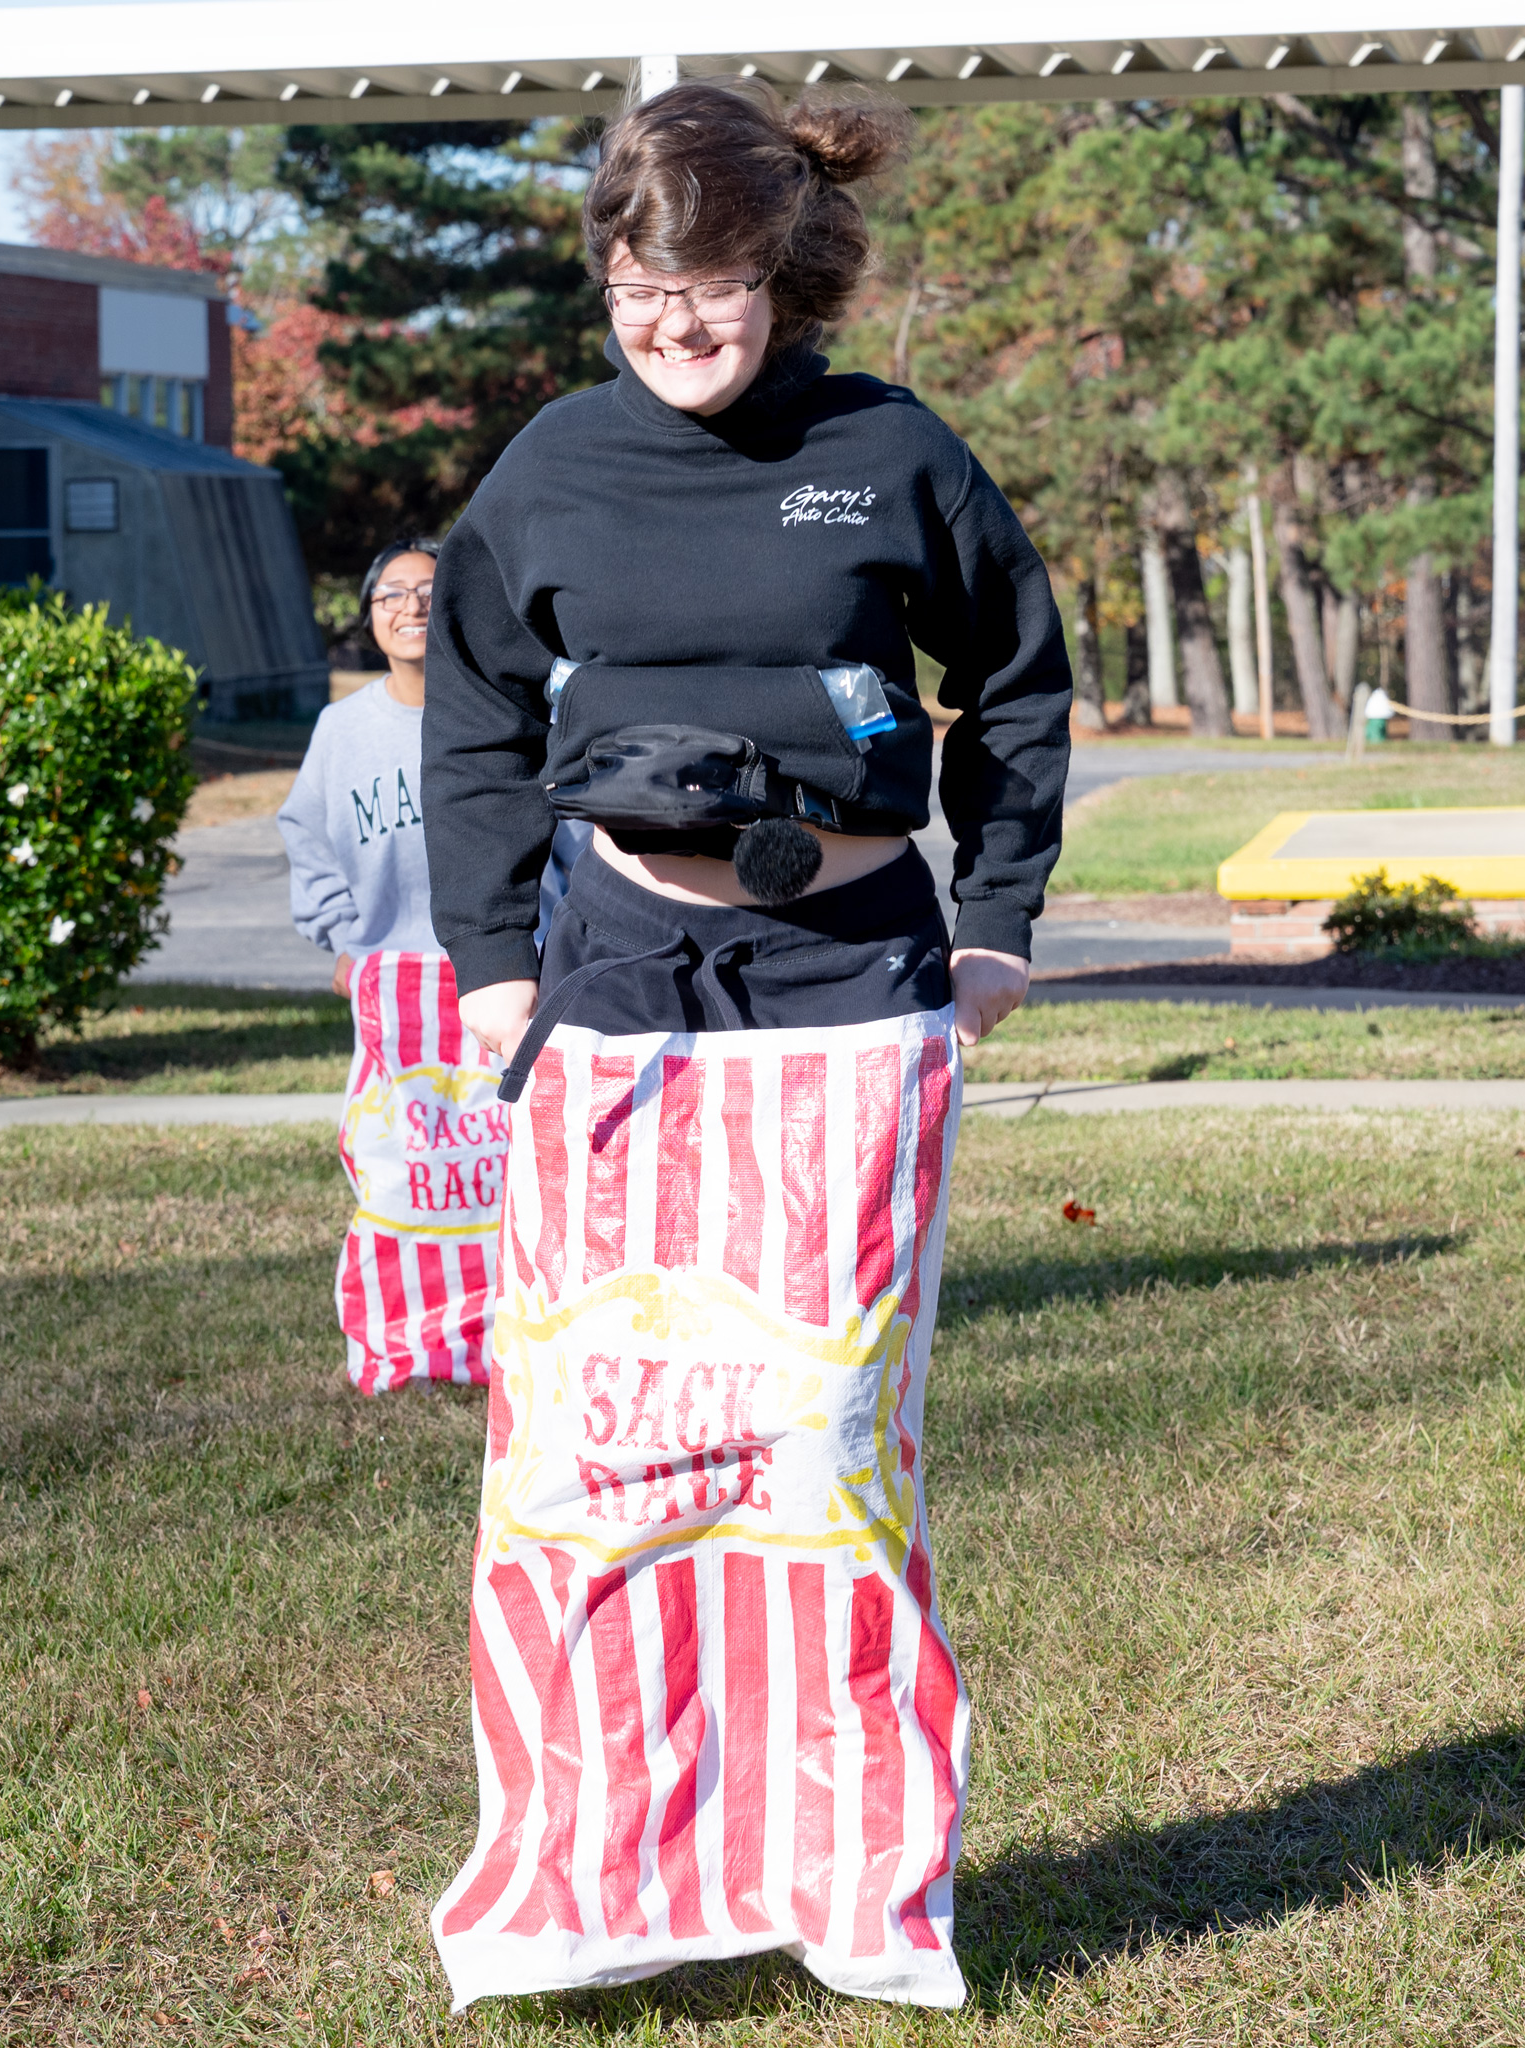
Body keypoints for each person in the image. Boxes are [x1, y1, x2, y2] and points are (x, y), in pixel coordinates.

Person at [421, 81, 1070, 2011]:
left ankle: (854, 1883)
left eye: (705, 288)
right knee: (593, 1447)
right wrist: (487, 961)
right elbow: (469, 708)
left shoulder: (886, 449)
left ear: (780, 274)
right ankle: (591, 1879)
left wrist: (994, 924)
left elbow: (1015, 681)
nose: (672, 328)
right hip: (617, 986)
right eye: (635, 291)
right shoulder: (547, 468)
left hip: (852, 989)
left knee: (816, 1440)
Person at [277, 537, 505, 1396]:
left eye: (430, 592)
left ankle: (507, 1323)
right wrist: (340, 938)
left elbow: (566, 838)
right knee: (404, 1161)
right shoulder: (344, 730)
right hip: (394, 990)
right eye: (392, 595)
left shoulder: (501, 714)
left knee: (502, 1154)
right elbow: (306, 836)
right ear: (372, 619)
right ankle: (407, 1328)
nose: (412, 607)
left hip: (501, 975)